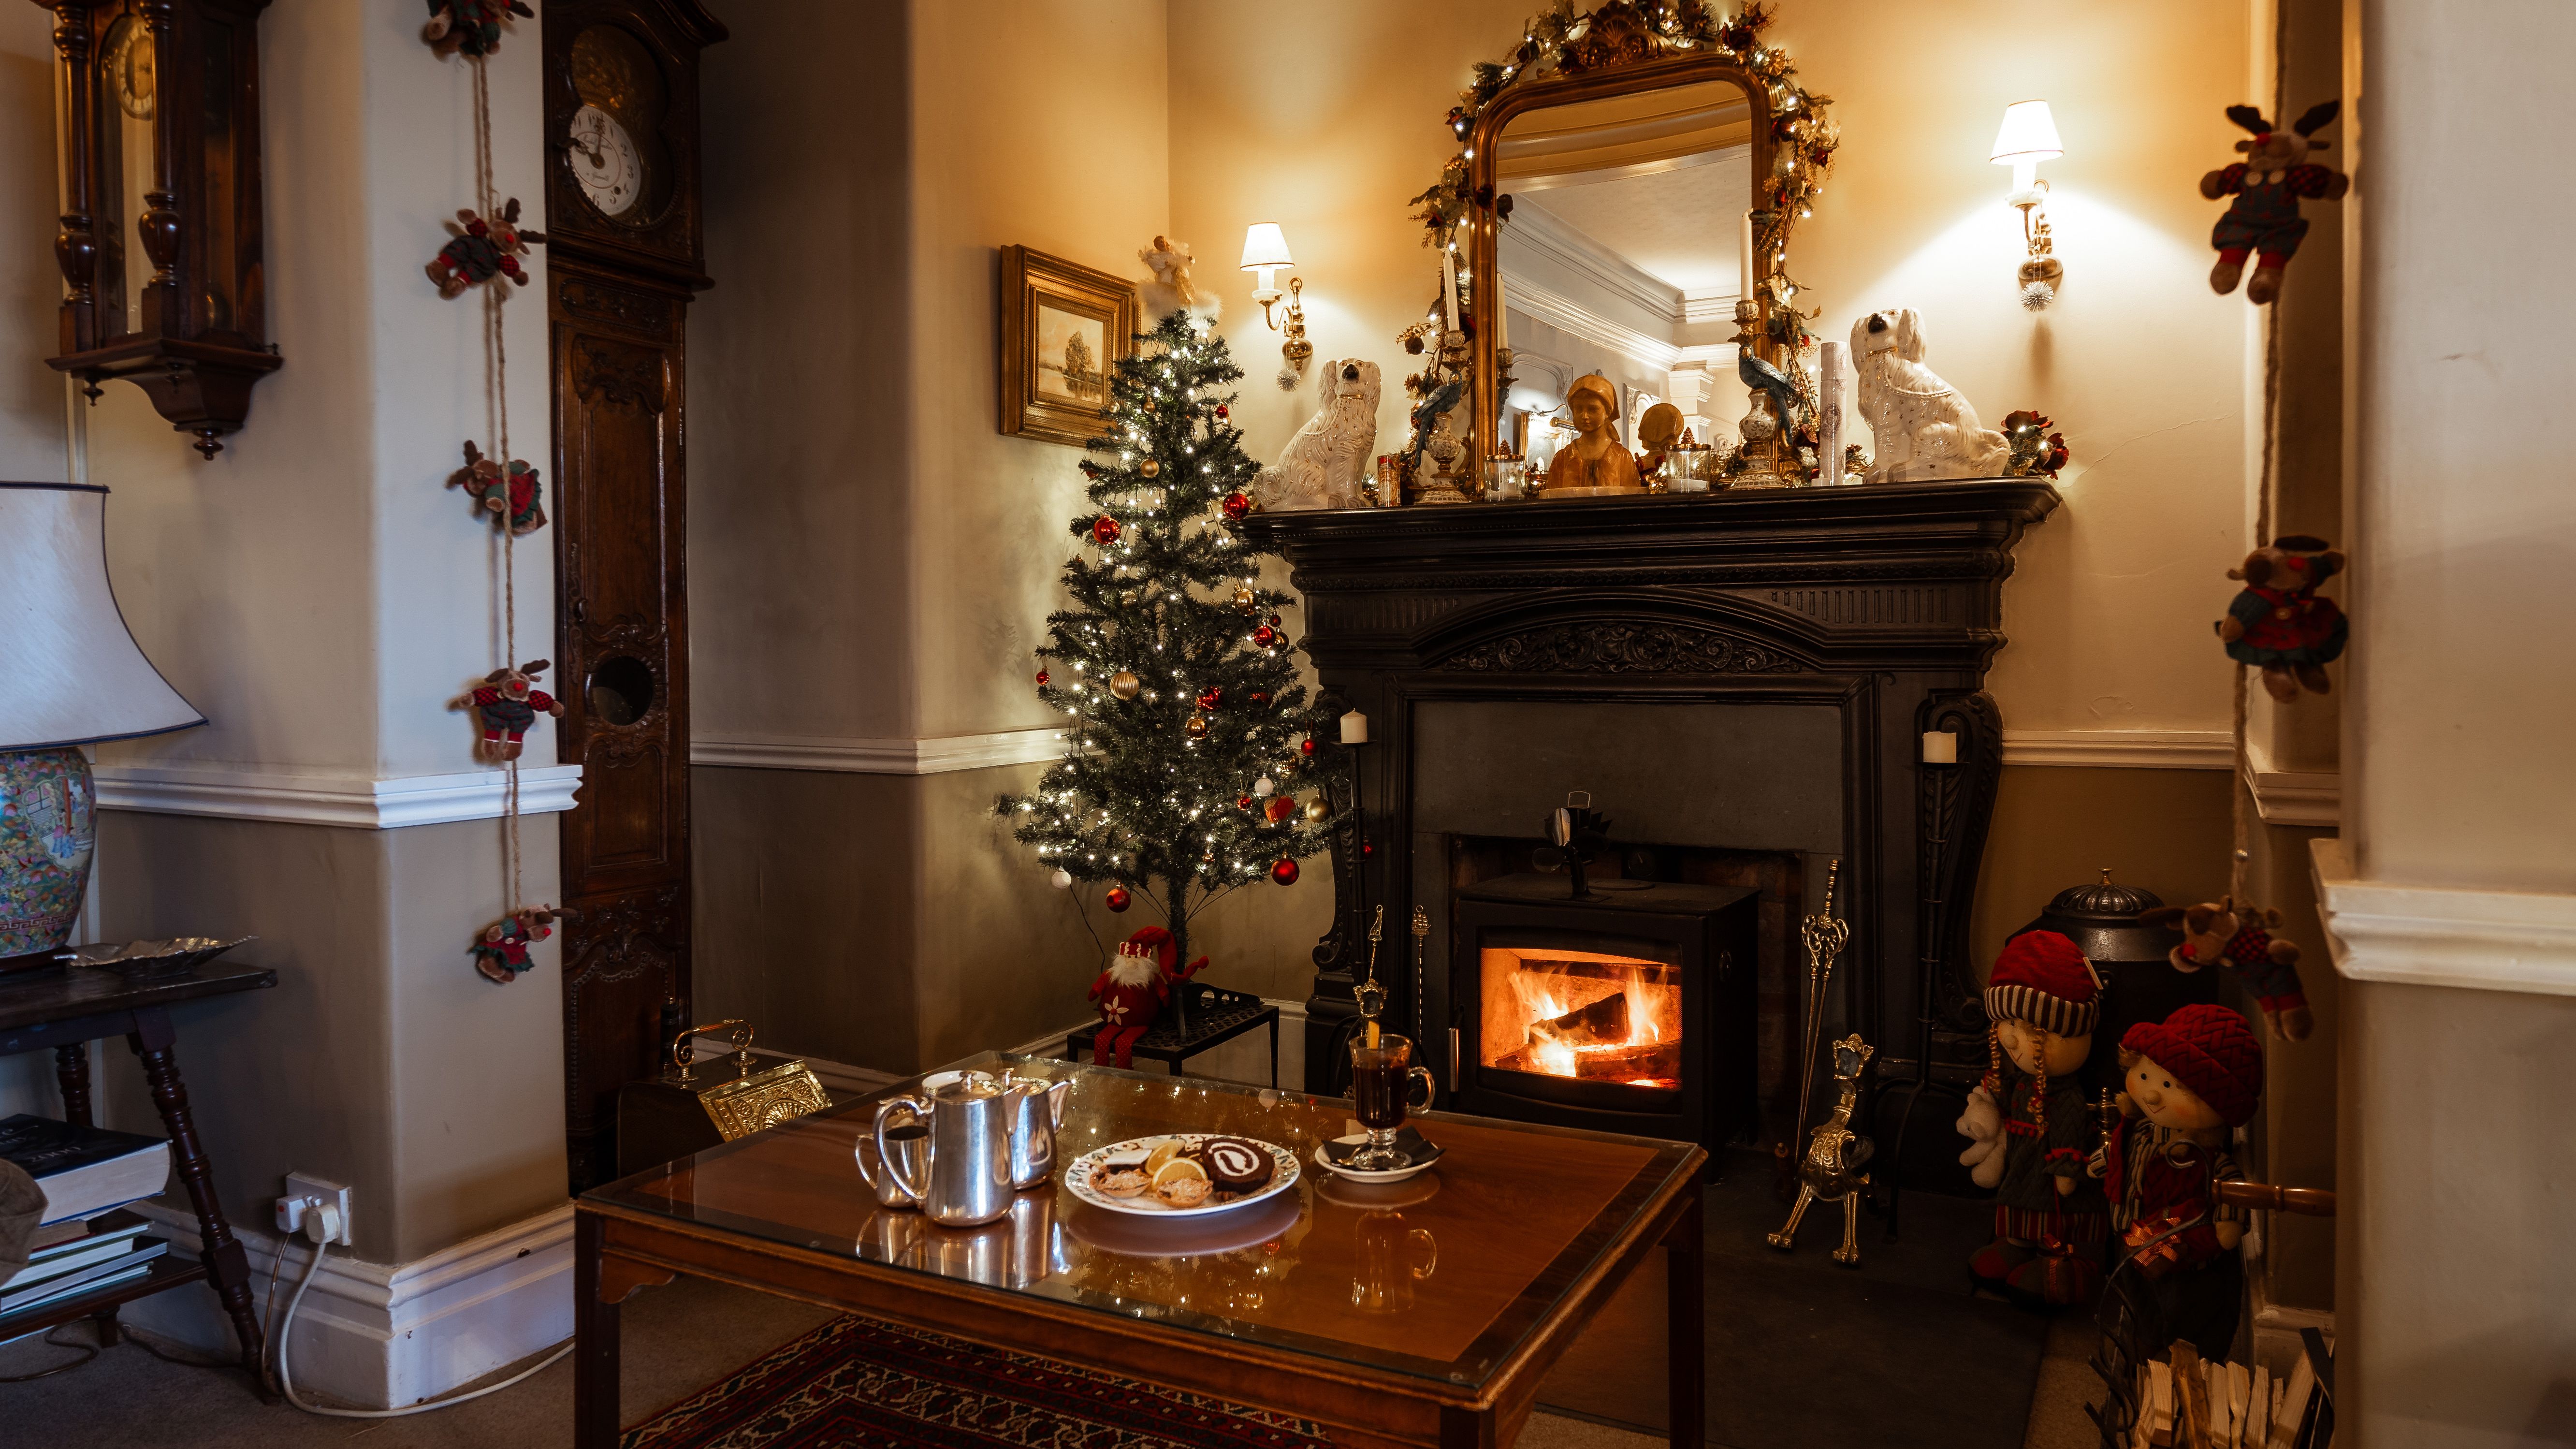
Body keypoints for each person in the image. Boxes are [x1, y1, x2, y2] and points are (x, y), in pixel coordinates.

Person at [1542, 375, 1643, 495]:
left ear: (1607, 412)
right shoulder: (1562, 459)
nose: (1585, 416)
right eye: (1579, 409)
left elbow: (1632, 503)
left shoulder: (1623, 458)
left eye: (1593, 410)